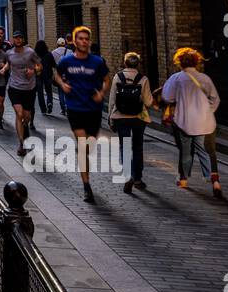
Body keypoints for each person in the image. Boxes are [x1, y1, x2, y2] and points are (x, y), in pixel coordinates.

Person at [55, 26, 110, 204]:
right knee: (82, 144)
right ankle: (87, 186)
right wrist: (63, 86)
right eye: (81, 39)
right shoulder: (67, 61)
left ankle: (83, 156)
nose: (84, 41)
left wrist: (101, 94)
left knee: (89, 147)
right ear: (74, 41)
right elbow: (57, 74)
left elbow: (106, 80)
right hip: (75, 107)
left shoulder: (97, 62)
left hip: (93, 109)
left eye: (87, 39)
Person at [161, 48, 222, 198]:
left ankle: (183, 179)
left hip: (184, 121)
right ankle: (215, 182)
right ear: (197, 62)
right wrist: (208, 111)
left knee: (186, 151)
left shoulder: (176, 78)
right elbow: (215, 99)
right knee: (208, 151)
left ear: (179, 62)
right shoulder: (205, 78)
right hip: (205, 122)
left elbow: (167, 97)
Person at [108, 51, 156, 195]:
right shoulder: (143, 79)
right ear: (138, 64)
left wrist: (110, 116)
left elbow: (112, 100)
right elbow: (148, 102)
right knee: (138, 147)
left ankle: (128, 175)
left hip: (121, 117)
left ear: (125, 63)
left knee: (125, 146)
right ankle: (138, 179)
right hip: (138, 118)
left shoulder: (118, 76)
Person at [4, 31, 41, 157]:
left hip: (29, 88)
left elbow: (40, 66)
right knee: (19, 114)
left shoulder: (30, 52)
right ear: (13, 39)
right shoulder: (9, 53)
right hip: (14, 87)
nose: (18, 40)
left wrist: (33, 71)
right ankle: (21, 144)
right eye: (16, 38)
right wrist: (4, 68)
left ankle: (25, 128)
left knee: (27, 117)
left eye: (20, 38)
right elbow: (9, 63)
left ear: (23, 39)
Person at [34, 39, 56, 117]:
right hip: (48, 75)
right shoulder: (49, 54)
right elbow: (54, 65)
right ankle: (49, 102)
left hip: (38, 75)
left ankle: (43, 109)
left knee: (40, 93)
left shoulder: (35, 55)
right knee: (49, 90)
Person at [51, 36, 71, 115]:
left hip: (59, 74)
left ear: (57, 44)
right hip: (68, 74)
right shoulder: (70, 51)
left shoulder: (53, 52)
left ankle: (63, 108)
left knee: (60, 91)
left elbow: (52, 65)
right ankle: (68, 106)